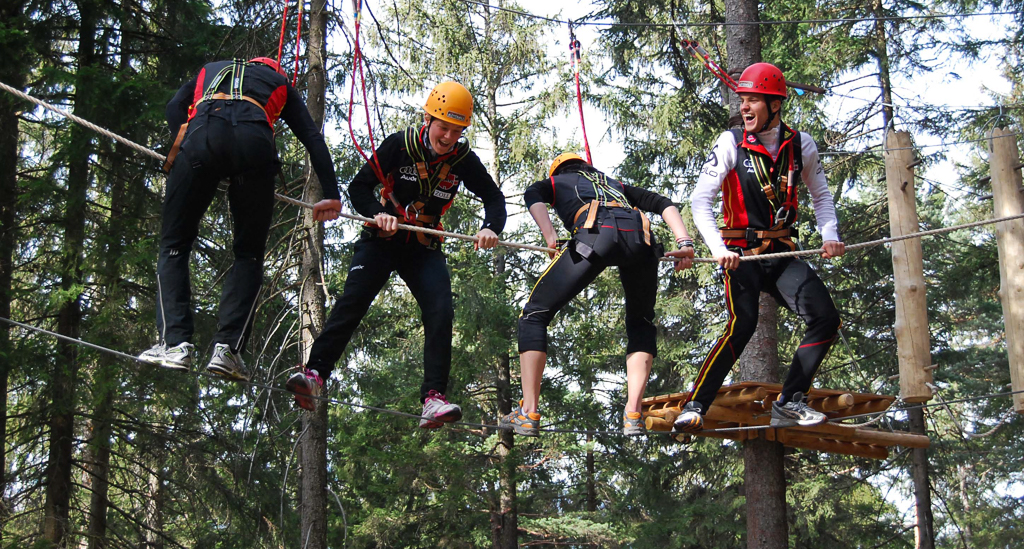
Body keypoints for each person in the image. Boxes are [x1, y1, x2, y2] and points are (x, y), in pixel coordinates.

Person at [286, 81, 506, 427]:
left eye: (456, 130)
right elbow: (359, 187)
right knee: (353, 302)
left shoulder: (463, 160)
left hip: (422, 246)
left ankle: (434, 398)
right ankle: (314, 375)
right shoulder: (399, 145)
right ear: (427, 119)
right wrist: (378, 211)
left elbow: (494, 198)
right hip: (381, 240)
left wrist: (490, 226)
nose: (448, 137)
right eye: (443, 127)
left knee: (440, 311)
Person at [139, 57, 342, 380]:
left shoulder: (210, 69)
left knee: (174, 245)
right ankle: (228, 349)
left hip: (202, 135)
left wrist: (195, 146)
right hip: (255, 146)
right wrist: (331, 192)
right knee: (248, 254)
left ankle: (175, 343)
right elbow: (312, 137)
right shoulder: (280, 83)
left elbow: (174, 107)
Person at [669, 62, 845, 433]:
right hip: (740, 253)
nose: (744, 108)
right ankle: (695, 404)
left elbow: (821, 196)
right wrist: (718, 248)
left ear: (775, 105)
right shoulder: (730, 142)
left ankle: (789, 401)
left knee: (825, 318)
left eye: (753, 101)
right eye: (742, 100)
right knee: (743, 323)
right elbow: (700, 201)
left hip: (781, 252)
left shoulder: (801, 145)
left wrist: (830, 234)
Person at [500, 153, 695, 436]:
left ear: (558, 170)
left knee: (534, 314)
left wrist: (550, 235)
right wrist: (684, 241)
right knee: (641, 323)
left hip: (596, 236)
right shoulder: (616, 185)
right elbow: (663, 203)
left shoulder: (556, 182)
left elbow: (533, 195)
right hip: (641, 242)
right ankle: (633, 414)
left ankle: (528, 412)